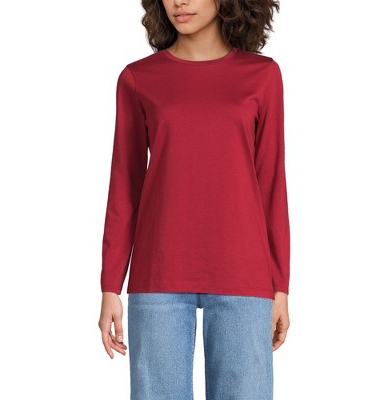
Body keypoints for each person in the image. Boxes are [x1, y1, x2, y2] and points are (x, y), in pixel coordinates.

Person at [98, 0, 291, 399]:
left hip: (244, 271)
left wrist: (280, 286)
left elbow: (271, 184)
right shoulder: (138, 78)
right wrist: (110, 286)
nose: (179, 2)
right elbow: (124, 186)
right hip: (158, 269)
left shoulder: (262, 76)